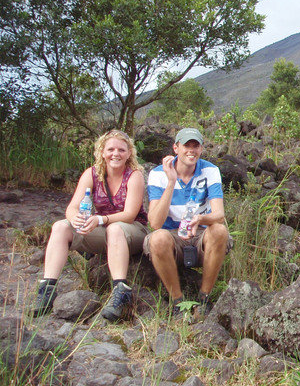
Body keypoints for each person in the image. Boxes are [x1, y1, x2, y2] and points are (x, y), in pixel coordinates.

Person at [32, 130, 148, 321]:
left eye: (121, 149)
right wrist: (75, 218)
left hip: (132, 230)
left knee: (115, 228)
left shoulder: (134, 176)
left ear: (129, 153)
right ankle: (47, 290)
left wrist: (100, 220)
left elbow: (129, 215)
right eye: (110, 149)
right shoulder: (92, 174)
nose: (115, 154)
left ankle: (120, 291)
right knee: (61, 227)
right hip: (105, 231)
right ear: (102, 151)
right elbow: (72, 207)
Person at [144, 127, 231, 318]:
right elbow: (155, 223)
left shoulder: (210, 170)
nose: (191, 150)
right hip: (171, 235)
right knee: (157, 238)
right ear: (176, 148)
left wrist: (200, 219)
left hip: (201, 232)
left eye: (196, 145)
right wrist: (171, 181)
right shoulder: (158, 174)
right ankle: (178, 303)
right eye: (186, 145)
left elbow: (219, 215)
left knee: (219, 231)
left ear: (201, 149)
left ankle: (203, 299)